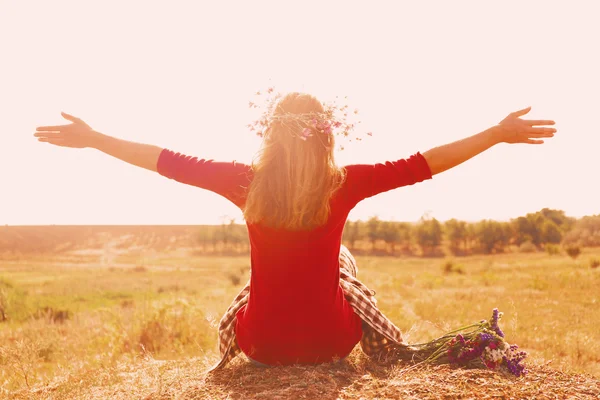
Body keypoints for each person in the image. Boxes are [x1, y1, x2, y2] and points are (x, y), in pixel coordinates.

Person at [34, 93, 556, 368]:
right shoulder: (343, 183)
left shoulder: (244, 182)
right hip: (332, 344)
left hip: (261, 346)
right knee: (343, 262)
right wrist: (495, 134)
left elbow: (164, 160)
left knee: (257, 282)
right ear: (327, 136)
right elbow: (425, 163)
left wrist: (95, 138)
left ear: (271, 134)